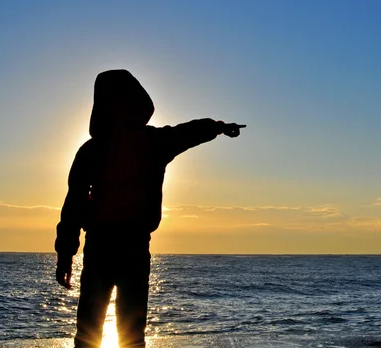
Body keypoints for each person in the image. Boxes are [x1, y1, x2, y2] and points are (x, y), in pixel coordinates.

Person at [55, 69, 245, 347]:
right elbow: (187, 132)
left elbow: (73, 205)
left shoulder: (93, 149)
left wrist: (65, 253)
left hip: (106, 247)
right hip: (125, 247)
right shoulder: (151, 142)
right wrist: (217, 126)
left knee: (89, 335)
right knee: (128, 336)